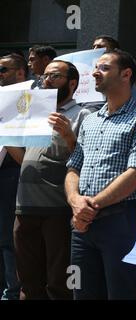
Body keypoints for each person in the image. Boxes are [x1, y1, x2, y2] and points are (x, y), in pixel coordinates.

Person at [65, 49, 136, 300]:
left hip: (120, 223)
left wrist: (90, 206)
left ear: (126, 74)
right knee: (82, 293)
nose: (94, 72)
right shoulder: (90, 121)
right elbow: (73, 167)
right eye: (95, 67)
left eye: (103, 67)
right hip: (81, 226)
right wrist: (75, 202)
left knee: (121, 294)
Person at [7, 60, 89, 300]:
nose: (46, 81)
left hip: (57, 208)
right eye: (44, 76)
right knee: (28, 279)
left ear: (72, 83)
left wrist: (68, 136)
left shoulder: (83, 114)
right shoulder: (35, 113)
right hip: (25, 205)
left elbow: (85, 156)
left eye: (54, 76)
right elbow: (25, 159)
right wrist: (7, 131)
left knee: (58, 281)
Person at [0, 53, 28, 300]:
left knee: (9, 237)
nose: (0, 74)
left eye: (4, 69)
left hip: (13, 173)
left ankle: (13, 290)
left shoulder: (31, 100)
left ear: (21, 73)